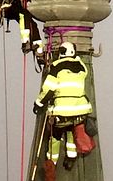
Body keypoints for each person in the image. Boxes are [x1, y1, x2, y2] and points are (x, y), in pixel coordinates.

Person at [33, 42, 95, 170]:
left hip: (61, 111)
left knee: (55, 136)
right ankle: (71, 157)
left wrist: (39, 103)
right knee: (72, 130)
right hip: (80, 110)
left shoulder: (57, 67)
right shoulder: (82, 67)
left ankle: (52, 162)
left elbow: (48, 90)